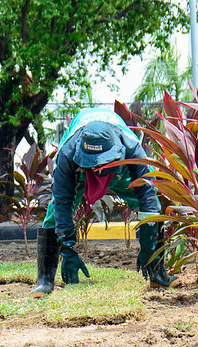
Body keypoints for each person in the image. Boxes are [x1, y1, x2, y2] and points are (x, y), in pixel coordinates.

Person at [31, 107, 180, 298]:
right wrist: (67, 250)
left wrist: (149, 249)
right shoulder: (67, 154)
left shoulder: (132, 149)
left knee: (155, 206)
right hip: (81, 172)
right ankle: (45, 281)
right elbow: (62, 203)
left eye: (102, 163)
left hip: (119, 171)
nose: (98, 169)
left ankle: (157, 273)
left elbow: (147, 200)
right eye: (94, 162)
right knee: (53, 214)